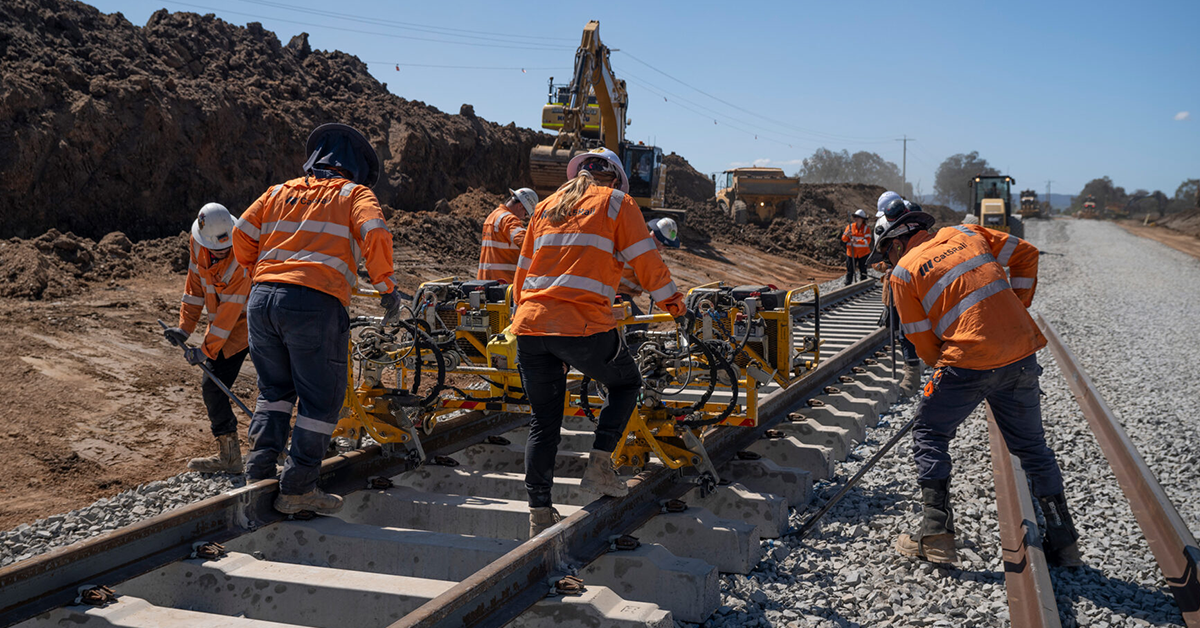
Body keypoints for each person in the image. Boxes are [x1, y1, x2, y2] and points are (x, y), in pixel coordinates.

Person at [868, 209, 1082, 567]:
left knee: (929, 432)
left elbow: (922, 343)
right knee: (1032, 448)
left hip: (965, 362)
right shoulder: (968, 233)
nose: (888, 263)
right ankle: (1065, 543)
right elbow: (1027, 253)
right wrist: (1016, 306)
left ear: (898, 242)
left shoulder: (904, 273)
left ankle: (936, 535)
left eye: (886, 253)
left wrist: (946, 369)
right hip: (1020, 351)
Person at [512, 147, 686, 537]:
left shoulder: (545, 207)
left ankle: (539, 513)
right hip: (582, 325)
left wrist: (528, 320)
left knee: (543, 422)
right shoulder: (617, 203)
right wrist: (676, 306)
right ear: (615, 179)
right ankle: (599, 466)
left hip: (531, 325)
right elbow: (647, 262)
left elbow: (522, 273)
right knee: (626, 383)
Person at [232, 123, 401, 516]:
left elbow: (240, 233)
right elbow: (375, 233)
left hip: (262, 300)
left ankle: (258, 474)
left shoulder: (278, 191)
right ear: (356, 169)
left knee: (274, 392)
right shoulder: (355, 194)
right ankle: (298, 488)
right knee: (321, 400)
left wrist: (263, 272)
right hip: (314, 303)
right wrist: (386, 287)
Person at [162, 203, 252, 473]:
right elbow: (194, 286)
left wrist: (205, 350)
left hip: (252, 323)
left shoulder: (241, 258)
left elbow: (229, 313)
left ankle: (278, 448)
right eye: (217, 248)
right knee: (213, 387)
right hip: (224, 325)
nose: (222, 252)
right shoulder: (198, 243)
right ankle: (230, 456)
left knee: (275, 384)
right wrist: (184, 328)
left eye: (226, 247)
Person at [875, 197, 923, 396]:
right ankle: (912, 371)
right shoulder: (889, 236)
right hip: (896, 290)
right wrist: (890, 268)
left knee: (907, 330)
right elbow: (878, 261)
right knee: (903, 331)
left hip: (910, 288)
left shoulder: (916, 244)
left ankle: (913, 372)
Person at [617, 217, 680, 313]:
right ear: (654, 234)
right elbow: (654, 281)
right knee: (639, 321)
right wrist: (678, 309)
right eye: (663, 244)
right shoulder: (646, 252)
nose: (663, 248)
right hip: (615, 293)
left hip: (616, 292)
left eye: (667, 246)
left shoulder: (639, 242)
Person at [478, 188, 537, 283]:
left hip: (484, 280)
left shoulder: (492, 216)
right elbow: (524, 241)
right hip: (503, 281)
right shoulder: (509, 219)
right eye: (525, 214)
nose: (523, 217)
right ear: (520, 206)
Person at [841, 209, 872, 285]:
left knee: (863, 271)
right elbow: (844, 239)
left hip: (863, 254)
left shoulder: (866, 229)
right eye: (855, 217)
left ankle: (864, 285)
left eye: (858, 217)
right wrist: (846, 235)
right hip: (851, 253)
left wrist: (857, 241)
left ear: (862, 219)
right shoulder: (850, 227)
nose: (856, 218)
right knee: (850, 271)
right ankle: (848, 285)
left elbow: (867, 241)